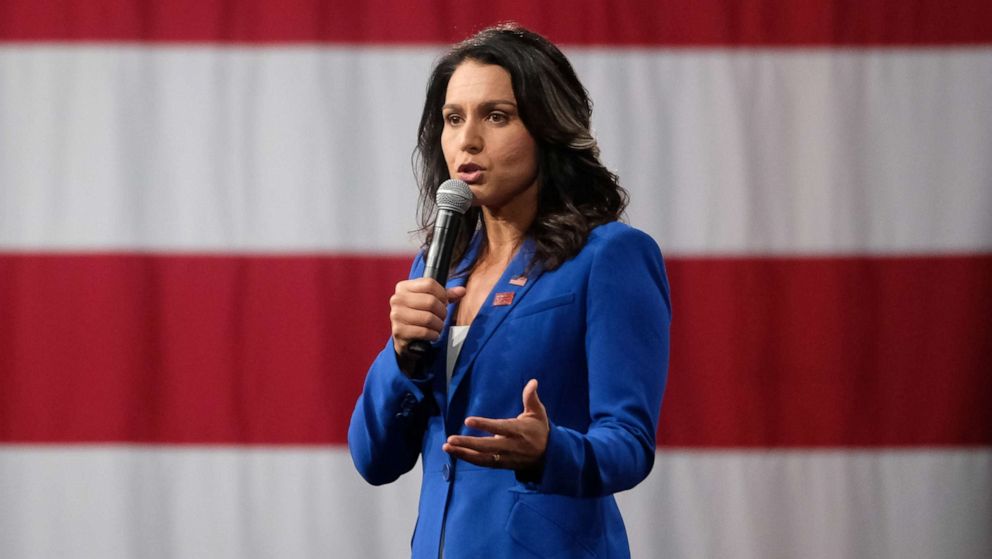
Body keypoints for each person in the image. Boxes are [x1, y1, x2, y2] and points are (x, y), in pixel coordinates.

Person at [348, 23, 671, 558]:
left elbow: (630, 445)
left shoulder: (609, 256)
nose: (467, 140)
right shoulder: (437, 267)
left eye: (496, 116)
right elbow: (373, 459)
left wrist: (550, 450)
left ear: (546, 128)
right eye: (454, 120)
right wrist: (401, 356)